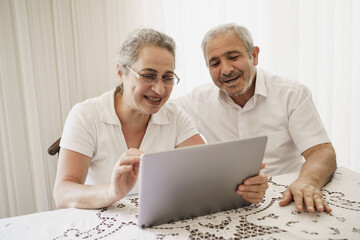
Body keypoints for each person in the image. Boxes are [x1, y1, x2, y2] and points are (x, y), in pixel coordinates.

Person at [53, 28, 269, 209]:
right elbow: (63, 193)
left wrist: (244, 186)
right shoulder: (86, 115)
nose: (159, 89)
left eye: (167, 77)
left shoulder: (175, 116)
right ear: (121, 73)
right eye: (148, 75)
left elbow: (207, 173)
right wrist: (112, 190)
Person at [175, 23, 336, 213]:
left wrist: (307, 182)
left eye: (233, 57)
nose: (226, 70)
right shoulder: (195, 101)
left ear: (254, 55)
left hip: (286, 197)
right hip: (230, 203)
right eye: (215, 63)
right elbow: (154, 113)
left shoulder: (292, 93)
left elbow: (321, 151)